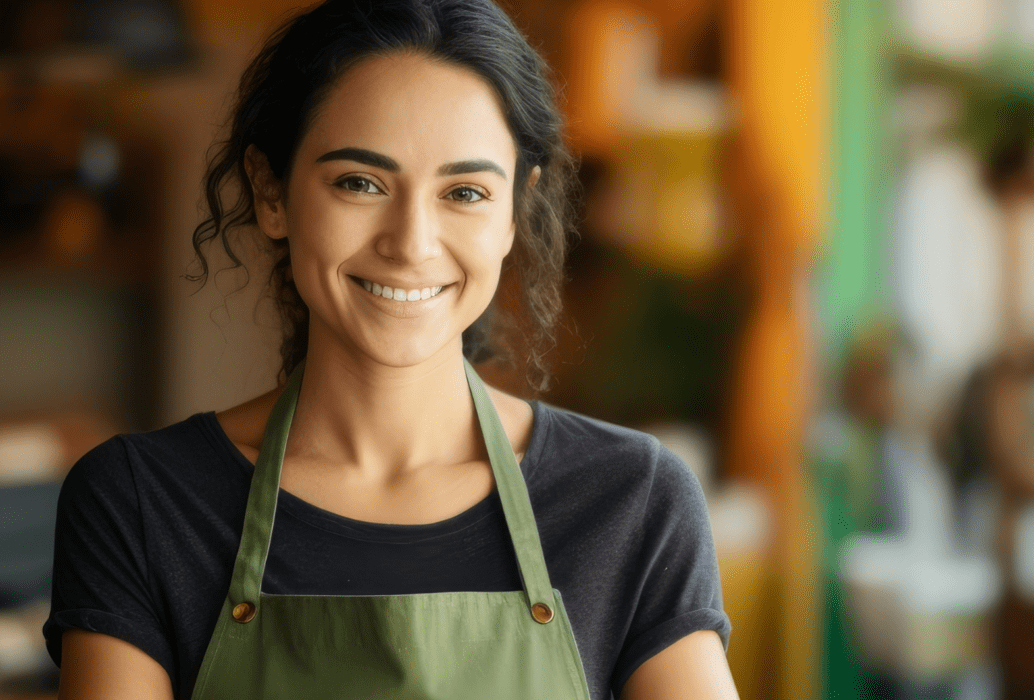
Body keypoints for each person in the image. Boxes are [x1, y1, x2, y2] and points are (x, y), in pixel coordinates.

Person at [42, 1, 736, 698]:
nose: (410, 242)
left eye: (464, 192)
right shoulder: (141, 503)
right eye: (360, 183)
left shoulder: (632, 502)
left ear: (512, 214)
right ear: (271, 192)